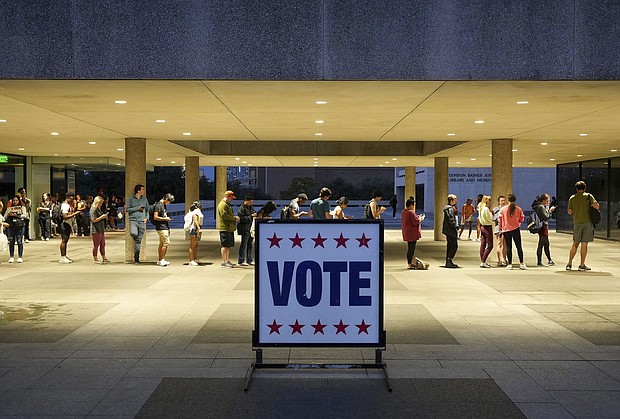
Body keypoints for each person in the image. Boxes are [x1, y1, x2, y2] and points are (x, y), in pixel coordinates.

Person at [566, 180, 599, 271]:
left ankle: (569, 263)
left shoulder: (572, 198)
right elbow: (596, 206)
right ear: (585, 188)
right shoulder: (588, 196)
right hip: (587, 222)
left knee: (575, 243)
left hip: (577, 222)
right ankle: (582, 264)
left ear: (576, 189)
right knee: (584, 244)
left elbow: (569, 211)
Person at [499, 194, 526, 270]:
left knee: (508, 247)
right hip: (516, 229)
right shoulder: (518, 209)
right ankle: (521, 263)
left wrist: (500, 229)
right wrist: (517, 221)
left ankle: (510, 264)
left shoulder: (503, 209)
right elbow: (522, 219)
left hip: (506, 230)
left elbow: (500, 220)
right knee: (519, 246)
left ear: (508, 200)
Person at [401, 196, 428, 270]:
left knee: (410, 248)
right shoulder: (411, 212)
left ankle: (410, 263)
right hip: (412, 233)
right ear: (411, 205)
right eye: (413, 205)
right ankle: (410, 264)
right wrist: (420, 218)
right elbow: (415, 222)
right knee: (411, 249)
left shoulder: (404, 211)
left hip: (407, 232)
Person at [126, 184, 149, 264]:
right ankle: (136, 239)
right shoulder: (130, 199)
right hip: (133, 220)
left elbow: (147, 210)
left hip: (142, 221)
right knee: (133, 233)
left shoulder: (144, 199)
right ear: (138, 190)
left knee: (139, 241)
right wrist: (137, 208)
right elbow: (127, 209)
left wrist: (146, 217)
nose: (143, 191)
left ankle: (136, 258)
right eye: (142, 189)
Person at [532, 194, 556, 267]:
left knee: (546, 244)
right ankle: (539, 261)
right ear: (543, 200)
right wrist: (550, 211)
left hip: (543, 227)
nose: (548, 202)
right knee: (541, 244)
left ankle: (550, 260)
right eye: (547, 201)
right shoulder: (541, 207)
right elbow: (546, 217)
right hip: (543, 227)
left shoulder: (539, 207)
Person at [217, 190, 240, 268]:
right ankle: (224, 261)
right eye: (231, 198)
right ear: (227, 196)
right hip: (225, 228)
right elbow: (224, 216)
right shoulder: (222, 205)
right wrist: (234, 218)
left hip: (228, 228)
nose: (232, 200)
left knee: (228, 245)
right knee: (225, 245)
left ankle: (226, 260)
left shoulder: (227, 204)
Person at [59, 192, 82, 263]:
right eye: (72, 198)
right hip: (65, 224)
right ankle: (62, 257)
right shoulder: (65, 206)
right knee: (64, 240)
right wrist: (74, 214)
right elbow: (65, 216)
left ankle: (64, 256)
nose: (73, 200)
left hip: (67, 224)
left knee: (66, 240)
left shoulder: (67, 205)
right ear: (68, 198)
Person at [153, 193, 174, 266]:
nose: (169, 203)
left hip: (164, 226)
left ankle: (161, 259)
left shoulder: (163, 205)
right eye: (169, 201)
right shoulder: (159, 205)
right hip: (161, 227)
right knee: (166, 243)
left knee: (162, 244)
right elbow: (155, 217)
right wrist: (165, 219)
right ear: (166, 199)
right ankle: (161, 260)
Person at [6, 195, 26, 263]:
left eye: (16, 200)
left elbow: (25, 215)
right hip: (11, 225)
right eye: (14, 200)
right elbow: (5, 216)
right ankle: (11, 256)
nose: (15, 202)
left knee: (19, 241)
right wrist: (9, 214)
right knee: (11, 241)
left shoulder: (22, 207)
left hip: (19, 225)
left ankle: (20, 257)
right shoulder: (10, 207)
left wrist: (17, 215)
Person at [237, 195, 256, 266]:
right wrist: (251, 216)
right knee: (244, 244)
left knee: (250, 245)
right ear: (246, 201)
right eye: (250, 202)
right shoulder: (242, 208)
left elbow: (253, 212)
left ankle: (249, 259)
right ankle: (241, 260)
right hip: (244, 229)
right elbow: (241, 219)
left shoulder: (250, 207)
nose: (251, 204)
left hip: (250, 228)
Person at [89, 195, 109, 264]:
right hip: (96, 229)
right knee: (96, 244)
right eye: (100, 203)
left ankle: (104, 257)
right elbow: (93, 220)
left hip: (101, 228)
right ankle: (95, 258)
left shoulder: (98, 209)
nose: (101, 204)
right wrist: (101, 217)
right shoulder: (93, 209)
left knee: (102, 244)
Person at [184, 201, 204, 266]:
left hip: (195, 229)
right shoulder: (196, 212)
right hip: (194, 229)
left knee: (195, 245)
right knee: (192, 245)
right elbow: (195, 220)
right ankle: (191, 260)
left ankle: (195, 258)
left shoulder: (195, 211)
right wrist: (199, 228)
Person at [442, 194, 459, 268]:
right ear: (451, 200)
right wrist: (455, 225)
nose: (456, 201)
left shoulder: (450, 208)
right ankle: (449, 260)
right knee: (454, 246)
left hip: (448, 229)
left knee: (450, 245)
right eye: (455, 199)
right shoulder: (449, 209)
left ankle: (448, 260)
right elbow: (451, 218)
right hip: (451, 230)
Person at [478, 195, 494, 268]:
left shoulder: (480, 208)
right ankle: (483, 261)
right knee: (490, 245)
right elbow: (489, 219)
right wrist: (492, 214)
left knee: (483, 244)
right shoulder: (486, 209)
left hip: (482, 226)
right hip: (487, 227)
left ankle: (482, 260)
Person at [493, 195, 508, 267]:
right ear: (499, 201)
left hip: (505, 228)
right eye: (502, 201)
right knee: (499, 244)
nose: (503, 202)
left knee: (505, 244)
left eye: (504, 200)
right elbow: (494, 218)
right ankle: (499, 260)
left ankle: (504, 259)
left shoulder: (506, 209)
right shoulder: (496, 209)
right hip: (498, 228)